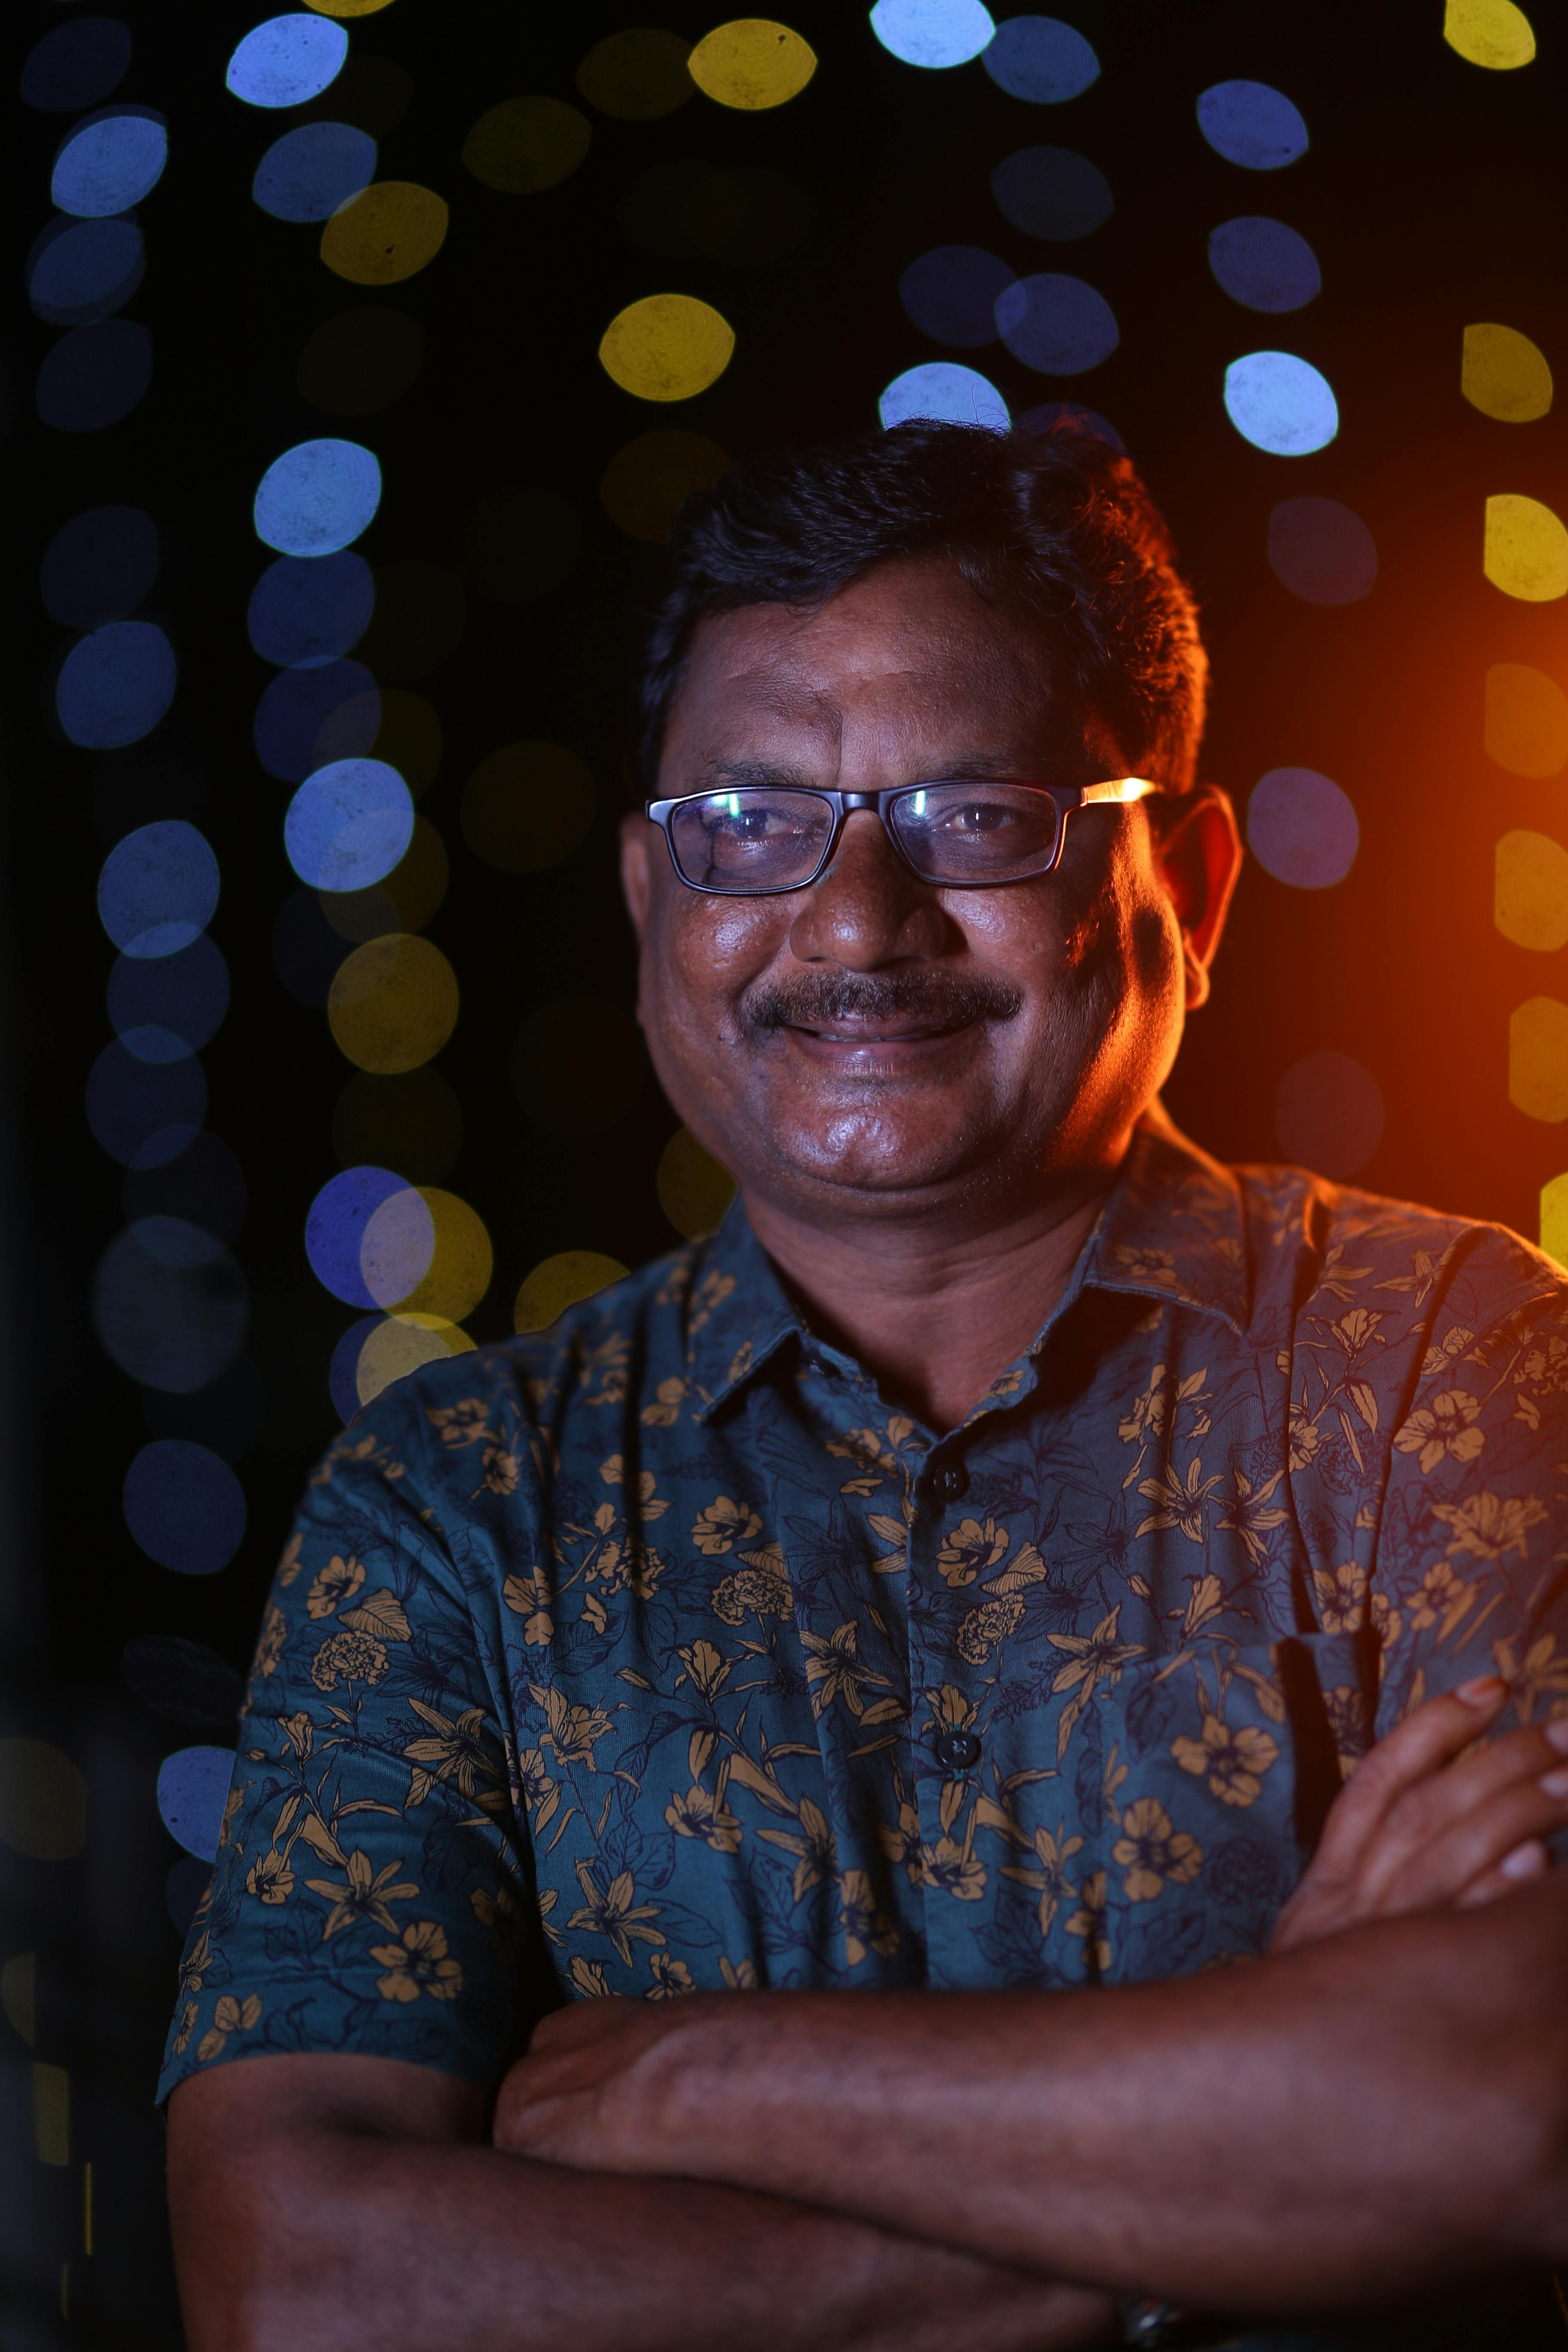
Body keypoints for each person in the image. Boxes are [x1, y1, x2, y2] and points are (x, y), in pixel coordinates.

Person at [165, 423, 1568, 2352]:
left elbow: (1512, 2111)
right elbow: (301, 2290)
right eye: (751, 828)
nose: (851, 924)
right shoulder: (459, 1503)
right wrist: (1254, 2130)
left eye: (978, 818)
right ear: (656, 901)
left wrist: (686, 2087)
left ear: (1194, 887)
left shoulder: (1449, 1365)